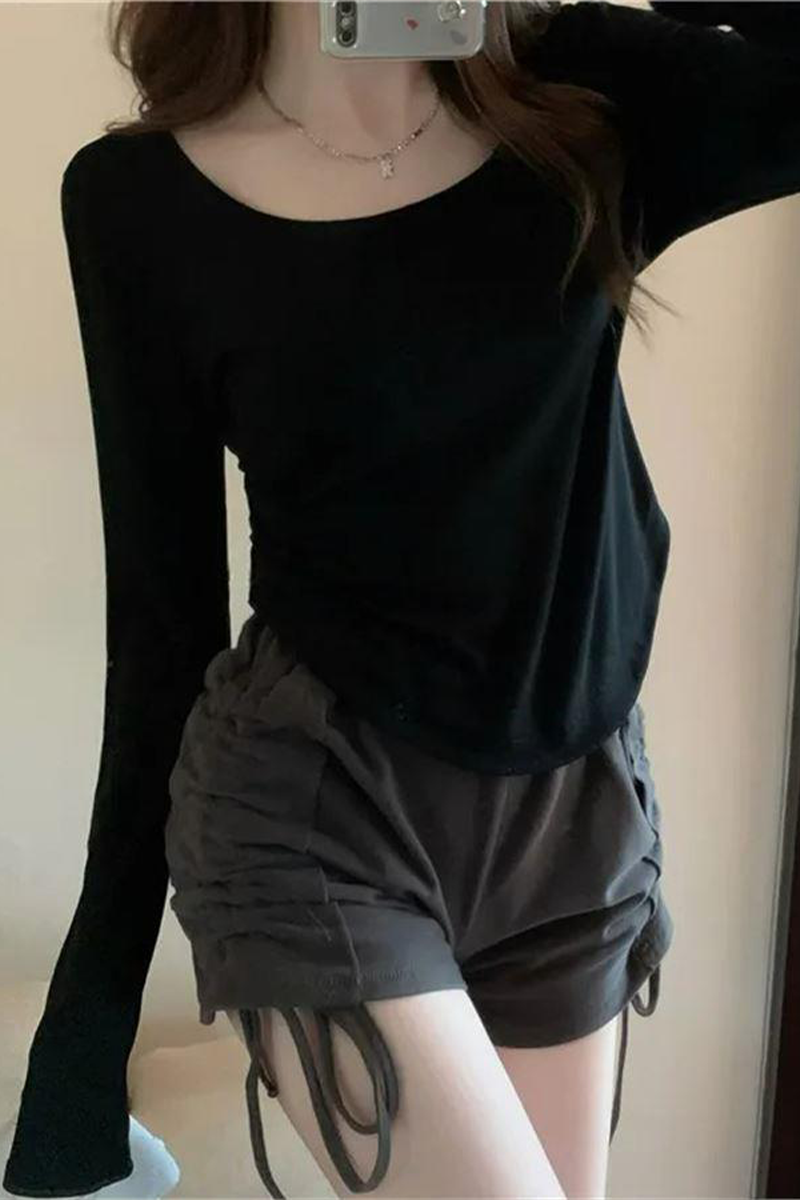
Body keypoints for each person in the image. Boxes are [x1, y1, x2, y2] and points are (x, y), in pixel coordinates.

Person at [4, 2, 799, 1197]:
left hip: (573, 818)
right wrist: (85, 1034)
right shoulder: (138, 201)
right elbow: (163, 624)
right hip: (315, 802)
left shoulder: (581, 112)